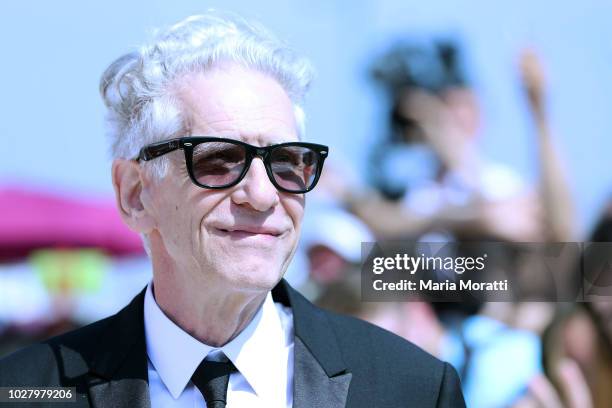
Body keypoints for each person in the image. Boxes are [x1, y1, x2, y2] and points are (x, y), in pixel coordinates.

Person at [0, 13, 465, 408]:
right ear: (135, 194)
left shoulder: (412, 389)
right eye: (218, 161)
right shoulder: (25, 390)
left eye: (287, 163)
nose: (262, 196)